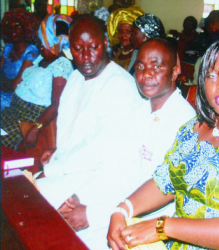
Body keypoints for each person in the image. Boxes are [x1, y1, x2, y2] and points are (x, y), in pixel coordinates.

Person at [107, 37, 219, 250]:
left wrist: (164, 227)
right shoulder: (193, 128)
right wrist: (123, 209)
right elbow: (164, 180)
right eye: (211, 75)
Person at [35, 14, 143, 247]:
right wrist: (59, 150)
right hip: (68, 169)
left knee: (32, 207)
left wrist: (55, 167)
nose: (85, 57)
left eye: (93, 47)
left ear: (105, 42)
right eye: (77, 49)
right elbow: (77, 131)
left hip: (99, 180)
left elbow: (101, 149)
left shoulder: (119, 86)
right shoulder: (75, 77)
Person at [1, 14, 73, 151]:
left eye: (43, 43)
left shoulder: (61, 65)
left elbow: (57, 104)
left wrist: (36, 127)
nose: (39, 46)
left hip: (27, 118)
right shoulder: (40, 58)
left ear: (55, 43)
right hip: (12, 112)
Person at [1, 8, 40, 111]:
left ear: (25, 28)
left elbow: (15, 86)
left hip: (16, 102)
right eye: (9, 28)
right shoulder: (9, 48)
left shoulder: (31, 52)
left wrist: (2, 84)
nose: (12, 31)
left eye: (17, 27)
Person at [107, 5, 144, 70]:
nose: (123, 35)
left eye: (128, 31)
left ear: (134, 34)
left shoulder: (138, 55)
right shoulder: (119, 52)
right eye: (121, 31)